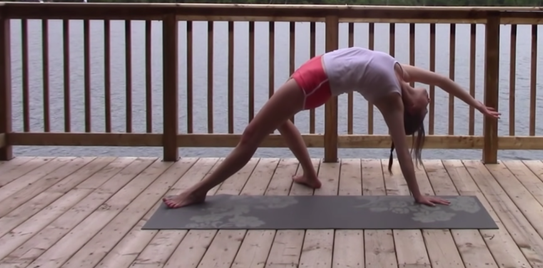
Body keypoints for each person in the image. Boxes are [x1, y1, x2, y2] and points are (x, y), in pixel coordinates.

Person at [163, 46, 500, 208]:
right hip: (315, 69)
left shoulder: (394, 97)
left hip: (315, 81)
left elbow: (402, 150)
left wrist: (417, 194)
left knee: (252, 134)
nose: (430, 103)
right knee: (278, 120)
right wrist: (477, 105)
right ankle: (310, 175)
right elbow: (442, 79)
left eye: (425, 111)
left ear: (411, 108)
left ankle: (199, 191)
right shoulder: (403, 75)